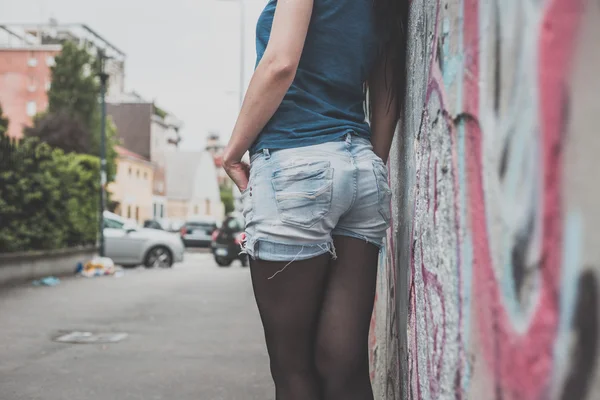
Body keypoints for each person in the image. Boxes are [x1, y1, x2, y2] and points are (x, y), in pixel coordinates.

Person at [223, 0, 407, 398]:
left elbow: (280, 64)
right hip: (362, 166)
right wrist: (365, 168)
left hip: (296, 166)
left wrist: (233, 151)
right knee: (345, 364)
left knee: (293, 371)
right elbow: (388, 87)